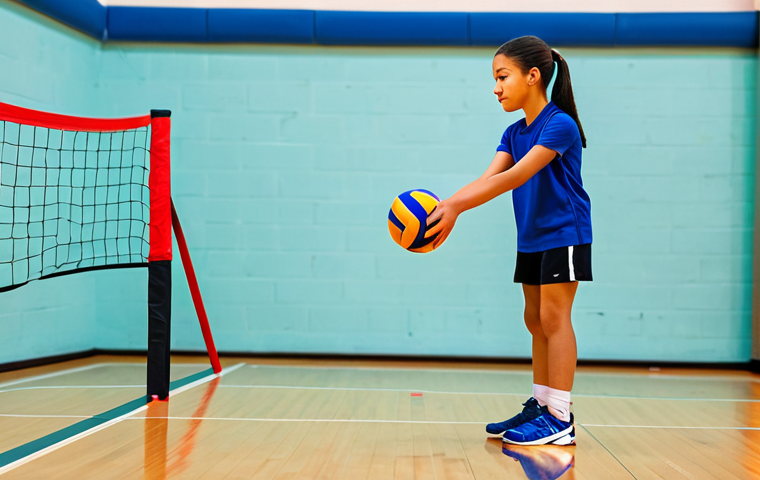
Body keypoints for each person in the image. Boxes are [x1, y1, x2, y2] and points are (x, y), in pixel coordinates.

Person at [424, 35, 592, 446]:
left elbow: (514, 178)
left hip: (564, 234)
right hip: (532, 236)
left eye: (502, 76)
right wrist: (448, 206)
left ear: (533, 76)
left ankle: (561, 418)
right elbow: (488, 178)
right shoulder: (513, 132)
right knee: (534, 321)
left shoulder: (559, 124)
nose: (495, 87)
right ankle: (541, 404)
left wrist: (457, 207)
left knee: (555, 320)